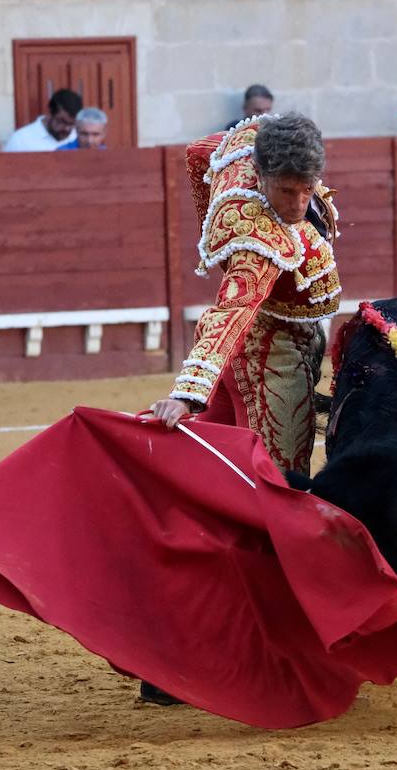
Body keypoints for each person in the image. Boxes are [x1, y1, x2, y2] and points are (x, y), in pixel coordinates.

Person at [143, 111, 341, 706]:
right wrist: (189, 391)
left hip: (250, 357)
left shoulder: (247, 150)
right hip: (271, 363)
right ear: (262, 175)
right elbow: (233, 311)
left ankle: (168, 662)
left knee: (216, 503)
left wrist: (211, 211)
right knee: (277, 509)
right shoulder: (260, 237)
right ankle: (267, 657)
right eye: (286, 191)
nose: (299, 204)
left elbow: (200, 151)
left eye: (307, 190)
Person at [4, 89, 81, 151]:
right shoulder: (20, 140)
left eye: (72, 124)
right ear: (50, 113)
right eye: (62, 122)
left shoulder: (80, 137)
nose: (67, 128)